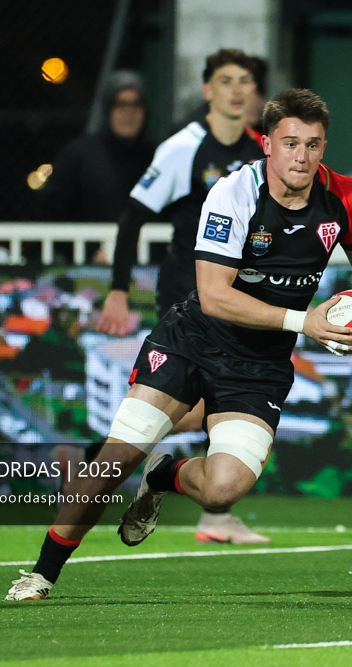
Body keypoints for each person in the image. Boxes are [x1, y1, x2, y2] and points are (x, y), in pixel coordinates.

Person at [6, 88, 352, 600]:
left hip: (260, 363)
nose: (302, 156)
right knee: (111, 462)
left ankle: (166, 474)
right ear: (267, 143)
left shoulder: (344, 196)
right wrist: (306, 321)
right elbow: (213, 297)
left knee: (224, 488)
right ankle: (41, 574)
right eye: (291, 143)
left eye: (314, 145)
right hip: (193, 340)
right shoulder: (234, 192)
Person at [96, 49, 268, 544]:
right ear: (207, 90)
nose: (238, 89)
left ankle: (192, 496)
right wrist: (117, 290)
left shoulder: (262, 151)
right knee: (209, 399)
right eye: (227, 80)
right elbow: (133, 218)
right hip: (186, 301)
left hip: (239, 300)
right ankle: (123, 452)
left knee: (220, 401)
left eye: (246, 81)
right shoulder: (184, 147)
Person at [36, 70, 157, 224]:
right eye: (121, 105)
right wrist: (90, 247)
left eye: (136, 104)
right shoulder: (79, 155)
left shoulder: (156, 157)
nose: (129, 113)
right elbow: (52, 210)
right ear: (108, 110)